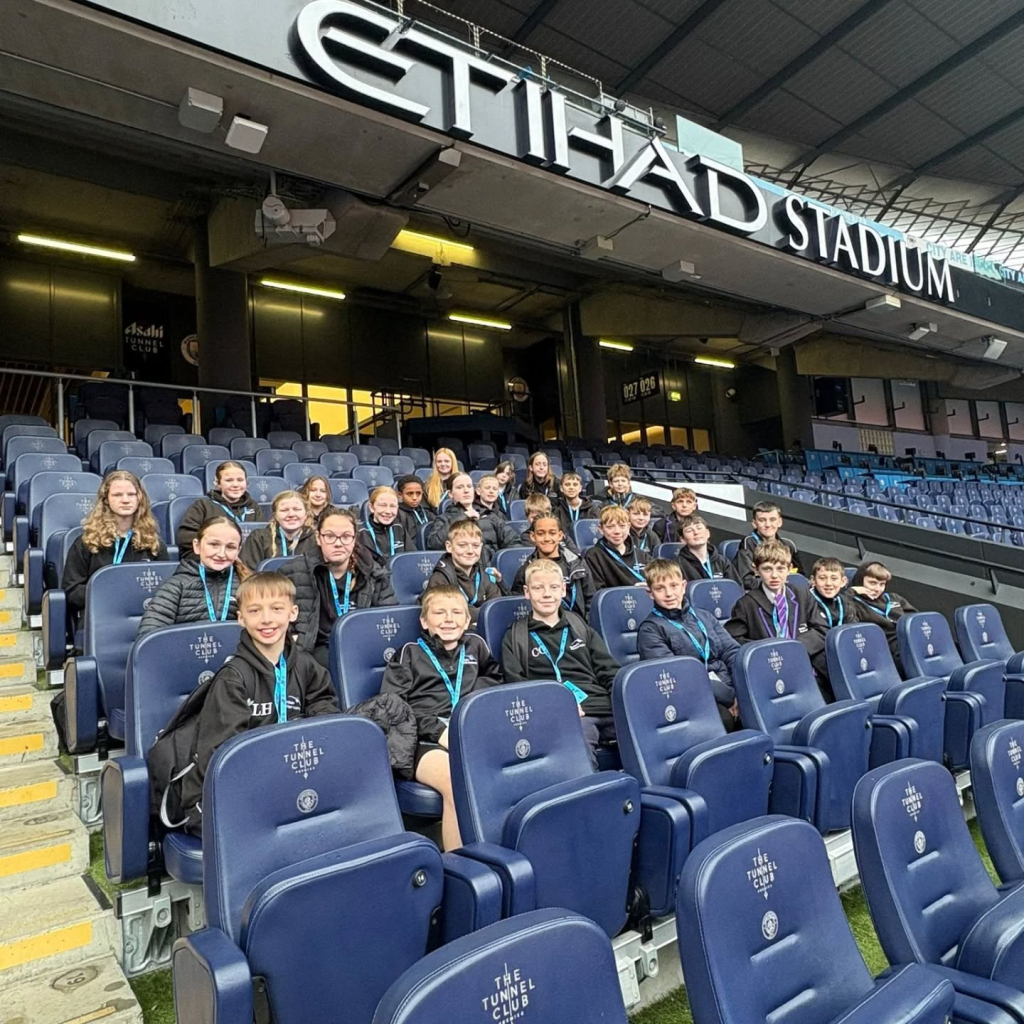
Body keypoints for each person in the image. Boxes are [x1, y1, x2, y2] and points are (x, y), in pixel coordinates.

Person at [174, 571, 340, 835]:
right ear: (241, 618)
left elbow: (325, 710)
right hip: (235, 790)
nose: (266, 619)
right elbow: (224, 757)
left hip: (291, 776)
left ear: (293, 613)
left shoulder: (306, 665)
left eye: (277, 609)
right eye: (254, 611)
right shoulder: (232, 678)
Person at [381, 585, 501, 850]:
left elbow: (495, 679)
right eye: (439, 613)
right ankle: (460, 861)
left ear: (467, 621)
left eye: (457, 612)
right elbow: (394, 708)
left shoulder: (476, 646)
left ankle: (496, 848)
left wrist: (470, 705)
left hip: (466, 731)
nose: (449, 619)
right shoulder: (408, 652)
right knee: (455, 780)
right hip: (423, 741)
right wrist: (437, 731)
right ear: (424, 621)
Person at [501, 559, 618, 763]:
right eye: (538, 588)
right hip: (561, 712)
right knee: (578, 746)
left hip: (603, 706)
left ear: (563, 590)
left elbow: (608, 670)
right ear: (527, 592)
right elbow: (517, 688)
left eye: (554, 587)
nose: (547, 594)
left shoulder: (579, 626)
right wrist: (558, 705)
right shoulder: (515, 637)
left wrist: (623, 702)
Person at [279, 506, 397, 666]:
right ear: (318, 538)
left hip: (362, 651)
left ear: (354, 539)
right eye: (330, 536)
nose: (338, 543)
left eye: (346, 537)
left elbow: (388, 618)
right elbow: (277, 618)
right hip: (313, 654)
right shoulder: (292, 572)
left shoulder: (374, 574)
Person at [637, 559, 740, 731]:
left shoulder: (705, 616)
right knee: (724, 719)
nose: (669, 594)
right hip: (690, 695)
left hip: (726, 685)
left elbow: (732, 652)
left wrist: (741, 691)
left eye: (674, 586)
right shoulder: (650, 630)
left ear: (683, 586)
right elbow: (677, 675)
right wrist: (730, 698)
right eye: (660, 588)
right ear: (650, 593)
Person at [62, 471, 167, 617]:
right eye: (117, 495)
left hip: (144, 616)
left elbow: (167, 590)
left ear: (139, 498)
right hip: (100, 616)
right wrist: (111, 592)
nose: (125, 500)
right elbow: (72, 593)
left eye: (131, 494)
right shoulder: (87, 542)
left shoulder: (153, 543)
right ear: (106, 500)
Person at [726, 541, 825, 688]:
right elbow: (733, 640)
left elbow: (821, 629)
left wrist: (794, 647)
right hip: (770, 671)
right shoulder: (746, 604)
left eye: (780, 569)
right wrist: (769, 651)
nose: (774, 575)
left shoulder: (802, 594)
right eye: (767, 569)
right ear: (756, 570)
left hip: (805, 666)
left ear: (789, 569)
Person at [138, 517, 246, 636]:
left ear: (238, 551)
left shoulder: (246, 585)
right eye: (214, 544)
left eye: (230, 547)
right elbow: (149, 635)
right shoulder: (176, 586)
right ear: (197, 546)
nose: (221, 554)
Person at [426, 472, 521, 564]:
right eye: (460, 487)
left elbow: (515, 542)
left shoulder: (489, 516)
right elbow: (433, 544)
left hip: (489, 571)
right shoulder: (444, 519)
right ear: (450, 493)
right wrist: (463, 516)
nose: (466, 490)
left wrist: (499, 564)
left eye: (469, 486)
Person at [511, 515, 594, 619]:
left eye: (552, 533)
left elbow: (590, 601)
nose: (547, 538)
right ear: (533, 536)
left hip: (577, 623)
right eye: (540, 534)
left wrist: (583, 626)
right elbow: (519, 605)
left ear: (560, 536)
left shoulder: (578, 565)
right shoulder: (526, 570)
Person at [426, 520, 503, 623]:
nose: (470, 551)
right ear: (449, 547)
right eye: (462, 545)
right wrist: (486, 612)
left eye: (475, 546)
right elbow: (454, 614)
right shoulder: (439, 579)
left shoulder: (485, 576)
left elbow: (496, 608)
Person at [176, 460, 263, 551]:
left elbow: (262, 537)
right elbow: (185, 536)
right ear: (217, 483)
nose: (235, 485)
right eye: (229, 480)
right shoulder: (202, 505)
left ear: (246, 482)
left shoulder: (254, 506)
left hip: (247, 555)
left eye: (240, 480)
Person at [848, 560, 916, 672]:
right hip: (885, 649)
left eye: (882, 584)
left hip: (908, 640)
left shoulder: (893, 598)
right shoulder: (854, 604)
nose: (877, 589)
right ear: (860, 581)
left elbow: (915, 620)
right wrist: (852, 591)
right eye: (872, 583)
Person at [806, 557, 861, 693]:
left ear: (843, 581)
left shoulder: (845, 603)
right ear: (813, 580)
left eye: (834, 578)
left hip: (843, 653)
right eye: (822, 578)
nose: (828, 583)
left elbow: (852, 632)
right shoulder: (806, 602)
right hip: (819, 659)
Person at [734, 500, 806, 589]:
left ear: (779, 522)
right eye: (762, 520)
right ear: (754, 523)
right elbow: (747, 581)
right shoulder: (748, 543)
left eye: (772, 519)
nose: (768, 524)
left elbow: (800, 577)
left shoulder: (788, 545)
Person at [240, 490, 315, 569]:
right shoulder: (258, 538)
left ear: (306, 514)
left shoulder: (316, 539)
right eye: (284, 510)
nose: (291, 514)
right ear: (275, 515)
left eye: (297, 509)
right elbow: (247, 571)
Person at [584, 504, 651, 590]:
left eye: (622, 526)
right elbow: (598, 592)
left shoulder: (641, 555)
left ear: (628, 527)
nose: (617, 531)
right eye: (610, 527)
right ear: (601, 529)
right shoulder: (593, 556)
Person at [675, 515, 739, 584]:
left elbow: (736, 587)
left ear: (708, 533)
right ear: (683, 539)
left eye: (699, 528)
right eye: (689, 530)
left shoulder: (722, 562)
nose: (696, 532)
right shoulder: (677, 565)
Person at [359, 485, 415, 561]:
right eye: (383, 505)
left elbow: (412, 558)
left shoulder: (399, 528)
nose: (388, 511)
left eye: (393, 506)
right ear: (371, 507)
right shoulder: (361, 532)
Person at [555, 471, 599, 538]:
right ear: (561, 488)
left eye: (575, 485)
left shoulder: (592, 508)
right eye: (567, 484)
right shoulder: (557, 511)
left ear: (580, 488)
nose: (571, 487)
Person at [395, 474, 435, 546]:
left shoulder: (425, 513)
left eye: (418, 493)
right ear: (400, 495)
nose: (414, 498)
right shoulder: (397, 514)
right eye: (410, 493)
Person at [424, 448, 458, 512]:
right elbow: (426, 510)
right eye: (439, 461)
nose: (443, 464)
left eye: (446, 461)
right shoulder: (427, 486)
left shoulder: (461, 483)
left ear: (453, 463)